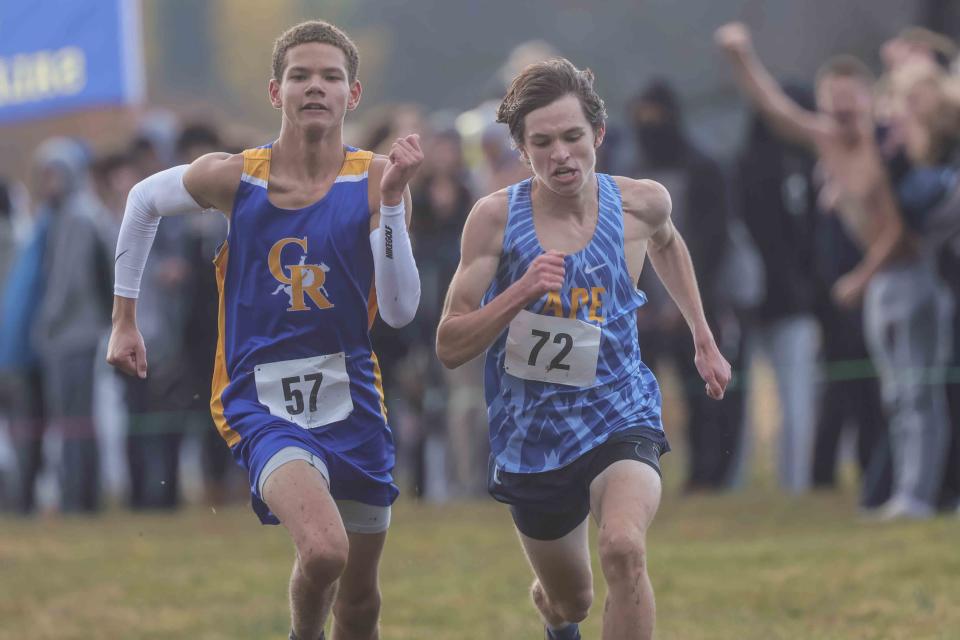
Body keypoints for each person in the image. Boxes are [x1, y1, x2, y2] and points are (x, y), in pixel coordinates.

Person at [106, 20, 422, 640]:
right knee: (325, 550)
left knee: (360, 604)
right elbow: (142, 200)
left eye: (330, 77)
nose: (315, 87)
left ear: (352, 95)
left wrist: (391, 206)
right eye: (300, 75)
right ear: (275, 91)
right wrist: (124, 320)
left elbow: (403, 310)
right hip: (259, 401)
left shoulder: (379, 179)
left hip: (352, 398)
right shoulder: (236, 177)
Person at [436, 58, 731, 640]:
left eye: (572, 137)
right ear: (521, 149)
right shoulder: (495, 220)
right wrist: (519, 292)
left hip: (620, 411)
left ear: (597, 134)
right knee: (569, 601)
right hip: (533, 435)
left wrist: (703, 333)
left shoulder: (642, 202)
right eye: (542, 142)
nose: (561, 155)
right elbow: (449, 343)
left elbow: (669, 245)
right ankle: (559, 624)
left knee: (623, 549)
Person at [716, 22, 952, 519]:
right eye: (834, 106)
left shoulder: (891, 145)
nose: (843, 117)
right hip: (880, 283)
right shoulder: (827, 139)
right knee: (895, 394)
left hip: (912, 276)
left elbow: (903, 233)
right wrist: (740, 56)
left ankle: (921, 494)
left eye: (852, 105)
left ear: (869, 100)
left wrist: (861, 278)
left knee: (919, 393)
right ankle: (908, 492)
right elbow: (776, 109)